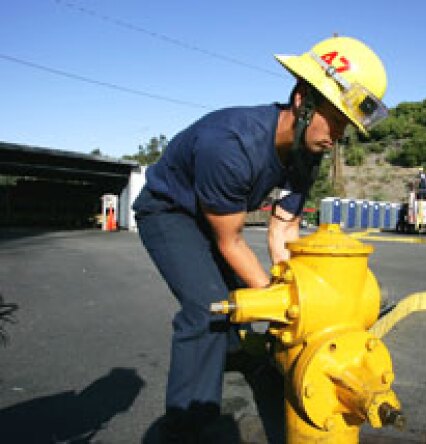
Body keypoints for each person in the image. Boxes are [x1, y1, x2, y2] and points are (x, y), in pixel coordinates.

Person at [132, 36, 388, 442]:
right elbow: (230, 241)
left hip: (215, 217)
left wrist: (297, 291)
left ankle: (239, 355)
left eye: (346, 126)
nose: (337, 135)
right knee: (212, 306)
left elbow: (284, 229)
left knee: (247, 297)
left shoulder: (308, 153)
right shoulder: (231, 145)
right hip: (170, 211)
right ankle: (186, 426)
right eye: (336, 120)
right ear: (303, 100)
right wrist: (284, 304)